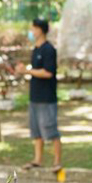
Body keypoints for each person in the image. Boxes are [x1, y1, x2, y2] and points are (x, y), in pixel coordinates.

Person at [25, 16, 61, 172]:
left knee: (51, 130)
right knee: (36, 130)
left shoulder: (49, 49)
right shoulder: (36, 50)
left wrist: (27, 70)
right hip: (35, 96)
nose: (31, 31)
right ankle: (37, 160)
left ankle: (57, 162)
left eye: (33, 28)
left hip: (47, 98)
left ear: (40, 30)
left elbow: (48, 73)